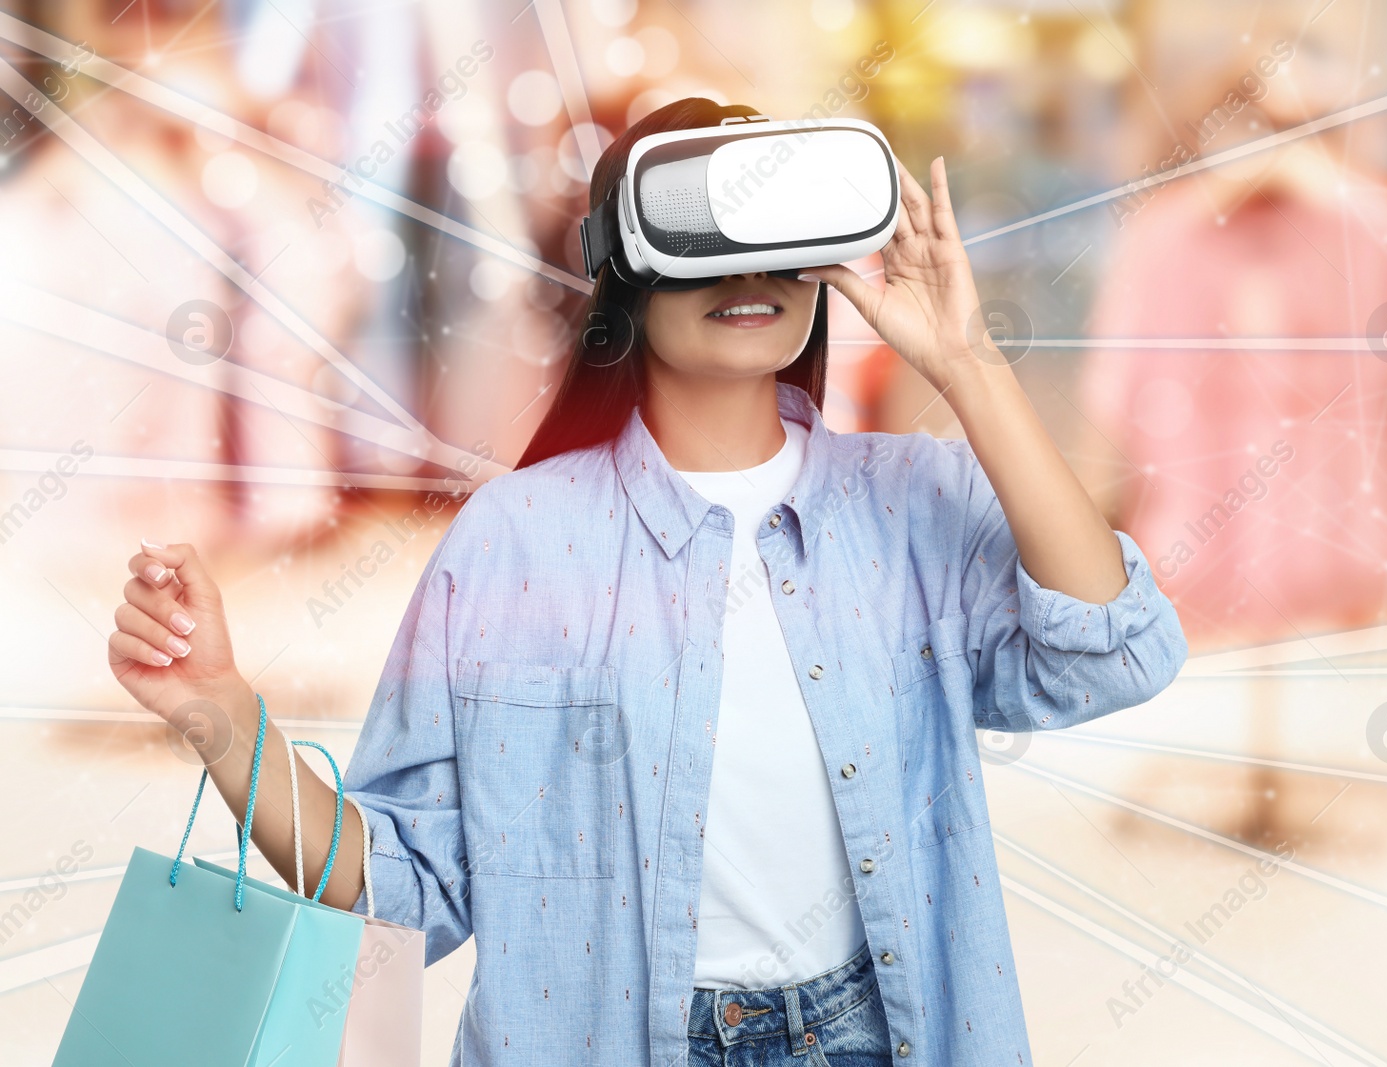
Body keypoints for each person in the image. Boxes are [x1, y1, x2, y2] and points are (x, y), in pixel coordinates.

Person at [108, 98, 1187, 1066]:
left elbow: (1117, 648)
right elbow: (407, 888)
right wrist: (223, 713)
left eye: (782, 234)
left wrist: (967, 362)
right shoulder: (515, 542)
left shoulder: (910, 503)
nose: (749, 269)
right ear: (624, 261)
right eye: (706, 230)